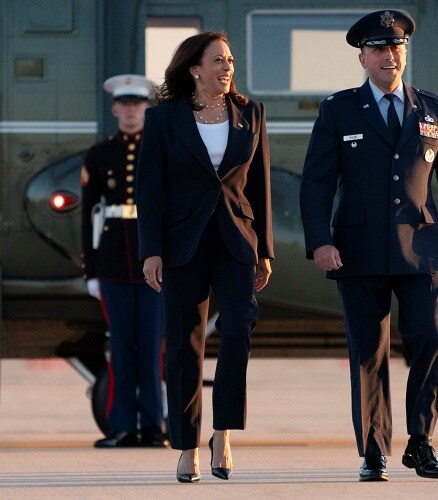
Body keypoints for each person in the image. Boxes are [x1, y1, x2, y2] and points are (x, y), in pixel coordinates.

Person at [300, 10, 438, 482]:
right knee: (368, 353)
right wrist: (319, 241)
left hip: (420, 250)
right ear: (363, 57)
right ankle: (373, 450)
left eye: (396, 47)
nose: (389, 56)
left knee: (430, 341)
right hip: (356, 252)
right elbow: (316, 182)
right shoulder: (337, 109)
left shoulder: (433, 109)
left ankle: (421, 441)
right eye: (379, 49)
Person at [136, 32, 274, 483]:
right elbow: (150, 190)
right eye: (218, 60)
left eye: (230, 59)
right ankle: (185, 446)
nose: (227, 66)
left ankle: (223, 434)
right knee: (183, 345)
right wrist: (150, 251)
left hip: (236, 241)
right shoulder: (163, 120)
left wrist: (265, 251)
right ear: (195, 68)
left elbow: (260, 187)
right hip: (182, 245)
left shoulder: (251, 113)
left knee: (238, 330)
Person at [81, 74, 167, 448]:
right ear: (115, 109)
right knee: (120, 350)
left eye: (138, 105)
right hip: (114, 264)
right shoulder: (100, 155)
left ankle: (152, 426)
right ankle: (121, 426)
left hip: (155, 264)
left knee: (152, 349)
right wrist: (91, 270)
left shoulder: (163, 149)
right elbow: (89, 215)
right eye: (125, 105)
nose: (131, 112)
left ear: (147, 109)